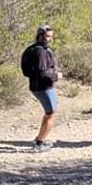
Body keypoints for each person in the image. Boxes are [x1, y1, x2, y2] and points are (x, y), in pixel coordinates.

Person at [25, 23, 61, 152]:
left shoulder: (32, 49)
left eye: (51, 36)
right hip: (43, 87)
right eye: (47, 36)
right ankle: (39, 143)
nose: (50, 39)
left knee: (49, 113)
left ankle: (39, 138)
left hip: (37, 86)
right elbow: (43, 72)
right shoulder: (41, 51)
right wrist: (56, 76)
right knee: (51, 114)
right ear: (40, 36)